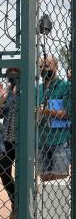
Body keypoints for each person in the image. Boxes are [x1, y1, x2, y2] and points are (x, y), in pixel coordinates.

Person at [36, 54, 70, 182]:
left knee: (60, 179)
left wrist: (46, 111)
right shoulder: (37, 89)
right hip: (41, 140)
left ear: (56, 67)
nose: (43, 69)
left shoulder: (65, 86)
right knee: (44, 180)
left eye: (46, 66)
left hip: (60, 139)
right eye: (40, 67)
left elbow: (68, 113)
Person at [0, 68, 19, 219]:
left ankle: (20, 208)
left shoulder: (30, 90)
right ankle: (15, 202)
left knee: (22, 174)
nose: (12, 77)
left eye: (15, 74)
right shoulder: (8, 92)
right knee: (2, 169)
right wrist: (2, 99)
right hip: (7, 139)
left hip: (23, 139)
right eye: (10, 74)